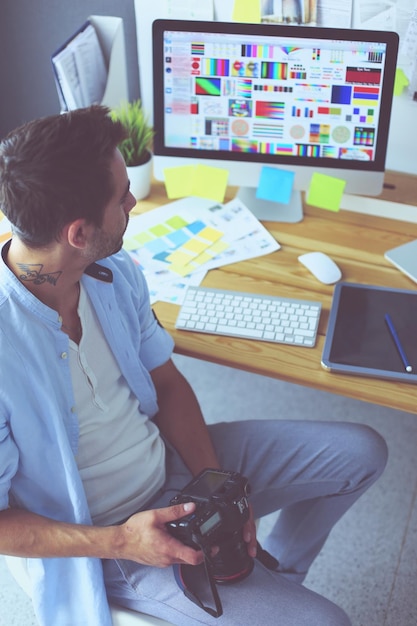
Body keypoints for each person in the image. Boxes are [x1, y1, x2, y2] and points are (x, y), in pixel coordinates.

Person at [0, 106, 387, 626]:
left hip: (171, 468)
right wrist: (123, 541)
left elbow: (166, 381)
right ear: (77, 232)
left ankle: (276, 581)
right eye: (122, 196)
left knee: (362, 451)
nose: (134, 201)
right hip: (113, 536)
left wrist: (217, 486)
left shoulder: (113, 272)